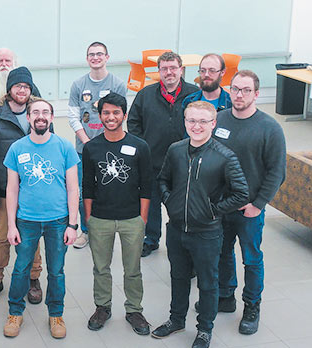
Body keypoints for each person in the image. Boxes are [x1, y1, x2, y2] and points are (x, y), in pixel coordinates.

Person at [150, 101, 248, 348]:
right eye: (191, 120)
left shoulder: (225, 157)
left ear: (213, 124)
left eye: (203, 121)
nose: (197, 126)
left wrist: (213, 210)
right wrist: (169, 201)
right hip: (176, 229)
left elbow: (242, 193)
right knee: (178, 276)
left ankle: (205, 329)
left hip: (207, 233)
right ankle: (176, 320)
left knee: (207, 282)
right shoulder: (175, 150)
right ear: (185, 122)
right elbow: (163, 179)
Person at [213, 70, 286, 335]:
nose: (239, 95)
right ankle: (226, 296)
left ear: (256, 94)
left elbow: (277, 172)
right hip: (221, 207)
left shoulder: (270, 129)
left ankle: (252, 306)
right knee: (222, 252)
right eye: (234, 89)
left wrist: (258, 204)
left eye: (245, 90)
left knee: (251, 258)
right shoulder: (218, 119)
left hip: (249, 209)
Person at [1, 98, 79, 339]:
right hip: (26, 221)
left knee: (56, 271)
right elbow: (11, 190)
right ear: (28, 117)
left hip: (58, 221)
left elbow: (73, 188)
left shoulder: (65, 147)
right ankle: (15, 312)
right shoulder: (17, 148)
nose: (40, 116)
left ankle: (56, 314)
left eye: (45, 112)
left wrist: (72, 224)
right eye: (35, 112)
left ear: (52, 117)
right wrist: (12, 225)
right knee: (21, 268)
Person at [81, 93, 152, 335]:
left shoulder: (140, 147)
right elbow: (87, 186)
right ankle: (103, 307)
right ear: (100, 116)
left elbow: (146, 185)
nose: (111, 117)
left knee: (132, 268)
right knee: (101, 268)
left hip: (132, 218)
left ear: (124, 115)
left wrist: (142, 219)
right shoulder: (91, 148)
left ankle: (134, 309)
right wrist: (89, 218)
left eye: (116, 112)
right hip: (100, 219)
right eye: (106, 113)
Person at [0, 66, 44, 305]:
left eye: (26, 86)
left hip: (33, 191)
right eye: (18, 86)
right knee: (3, 237)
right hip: (5, 192)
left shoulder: (39, 115)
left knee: (32, 237)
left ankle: (33, 279)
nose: (22, 90)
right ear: (10, 89)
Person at [127, 51, 200, 257]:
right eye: (164, 69)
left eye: (173, 68)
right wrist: (143, 147)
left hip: (185, 161)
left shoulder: (194, 94)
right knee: (151, 203)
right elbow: (133, 122)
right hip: (152, 161)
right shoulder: (145, 95)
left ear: (181, 70)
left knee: (182, 203)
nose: (169, 72)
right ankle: (151, 239)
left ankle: (182, 239)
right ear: (159, 71)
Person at [68, 41, 127, 249]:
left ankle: (107, 229)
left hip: (110, 148)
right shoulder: (78, 85)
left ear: (107, 57)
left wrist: (103, 143)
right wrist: (88, 143)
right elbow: (74, 117)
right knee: (85, 190)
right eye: (91, 54)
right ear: (87, 59)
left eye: (99, 54)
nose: (95, 57)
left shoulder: (118, 84)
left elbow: (117, 116)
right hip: (83, 148)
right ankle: (86, 231)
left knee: (110, 187)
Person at [0, 48, 42, 116]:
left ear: (14, 63)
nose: (4, 64)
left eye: (7, 61)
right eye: (0, 61)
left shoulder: (28, 87)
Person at [178, 54, 232, 138]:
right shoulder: (189, 101)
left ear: (222, 72)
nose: (206, 74)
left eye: (212, 70)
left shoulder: (230, 105)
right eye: (203, 70)